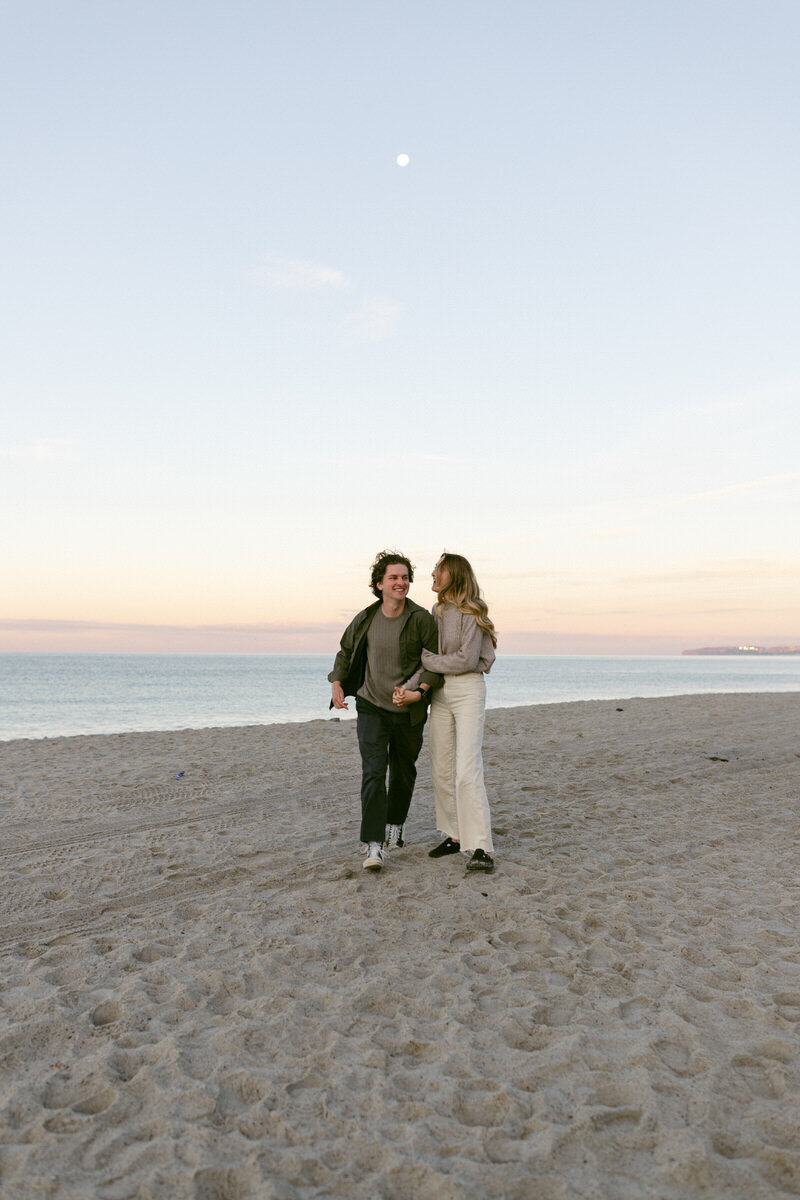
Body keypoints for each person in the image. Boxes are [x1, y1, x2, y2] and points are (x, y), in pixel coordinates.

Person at [329, 550, 443, 872]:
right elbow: (346, 651)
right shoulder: (365, 618)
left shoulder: (421, 619)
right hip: (371, 705)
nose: (400, 582)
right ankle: (374, 845)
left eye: (405, 577)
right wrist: (337, 683)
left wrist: (417, 694)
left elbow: (433, 663)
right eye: (393, 577)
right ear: (379, 583)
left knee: (404, 771)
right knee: (374, 771)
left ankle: (396, 823)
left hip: (408, 709)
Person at [393, 552, 497, 873]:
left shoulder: (473, 611)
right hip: (439, 692)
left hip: (467, 689)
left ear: (455, 576)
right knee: (441, 768)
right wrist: (409, 687)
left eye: (439, 570)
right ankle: (453, 835)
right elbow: (430, 656)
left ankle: (480, 846)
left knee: (467, 769)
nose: (433, 575)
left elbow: (466, 660)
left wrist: (429, 661)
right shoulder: (437, 612)